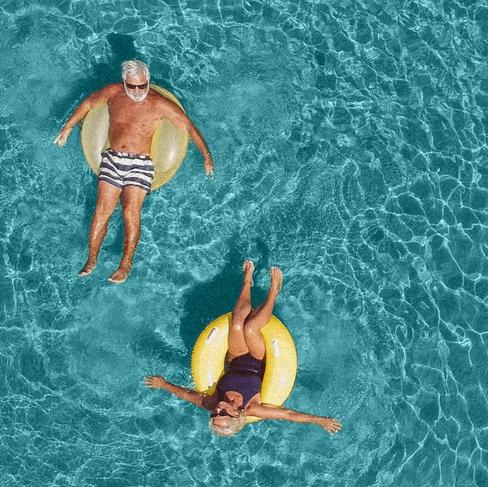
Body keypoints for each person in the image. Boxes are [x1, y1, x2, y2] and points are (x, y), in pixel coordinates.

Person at [54, 60, 214, 283]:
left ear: (148, 80)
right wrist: (67, 128)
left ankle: (125, 263)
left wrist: (206, 155)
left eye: (143, 85)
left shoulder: (159, 104)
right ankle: (92, 259)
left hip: (141, 163)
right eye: (133, 86)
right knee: (102, 210)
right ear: (124, 82)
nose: (138, 91)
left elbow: (187, 126)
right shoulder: (113, 93)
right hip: (113, 157)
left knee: (130, 211)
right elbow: (89, 104)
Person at [145, 262, 342, 436]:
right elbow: (288, 414)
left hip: (236, 357)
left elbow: (187, 395)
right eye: (223, 414)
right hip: (258, 359)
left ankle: (247, 282)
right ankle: (273, 292)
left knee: (238, 323)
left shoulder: (212, 402)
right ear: (236, 414)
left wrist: (164, 384)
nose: (218, 410)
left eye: (215, 414)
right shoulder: (253, 408)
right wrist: (320, 421)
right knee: (250, 328)